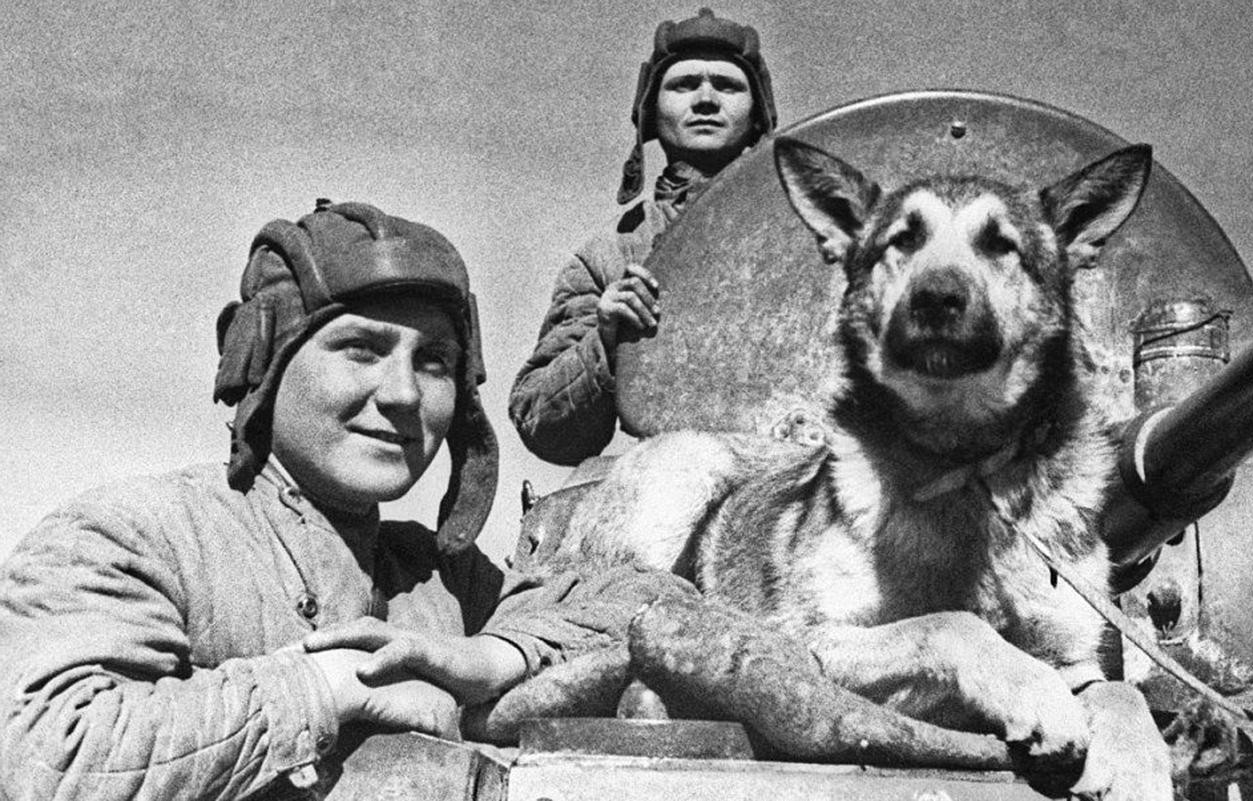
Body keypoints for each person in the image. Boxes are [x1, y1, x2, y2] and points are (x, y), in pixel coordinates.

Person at [0, 201, 560, 799]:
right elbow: (48, 756)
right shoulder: (136, 535)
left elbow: (619, 611)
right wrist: (330, 684)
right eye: (361, 348)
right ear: (268, 363)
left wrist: (496, 657)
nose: (404, 394)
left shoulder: (443, 580)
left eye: (434, 361)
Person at [507, 8, 778, 465]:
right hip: (672, 471)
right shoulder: (608, 257)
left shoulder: (814, 230)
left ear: (757, 114)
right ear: (652, 112)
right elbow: (542, 423)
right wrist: (605, 341)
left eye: (727, 85)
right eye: (684, 85)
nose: (706, 100)